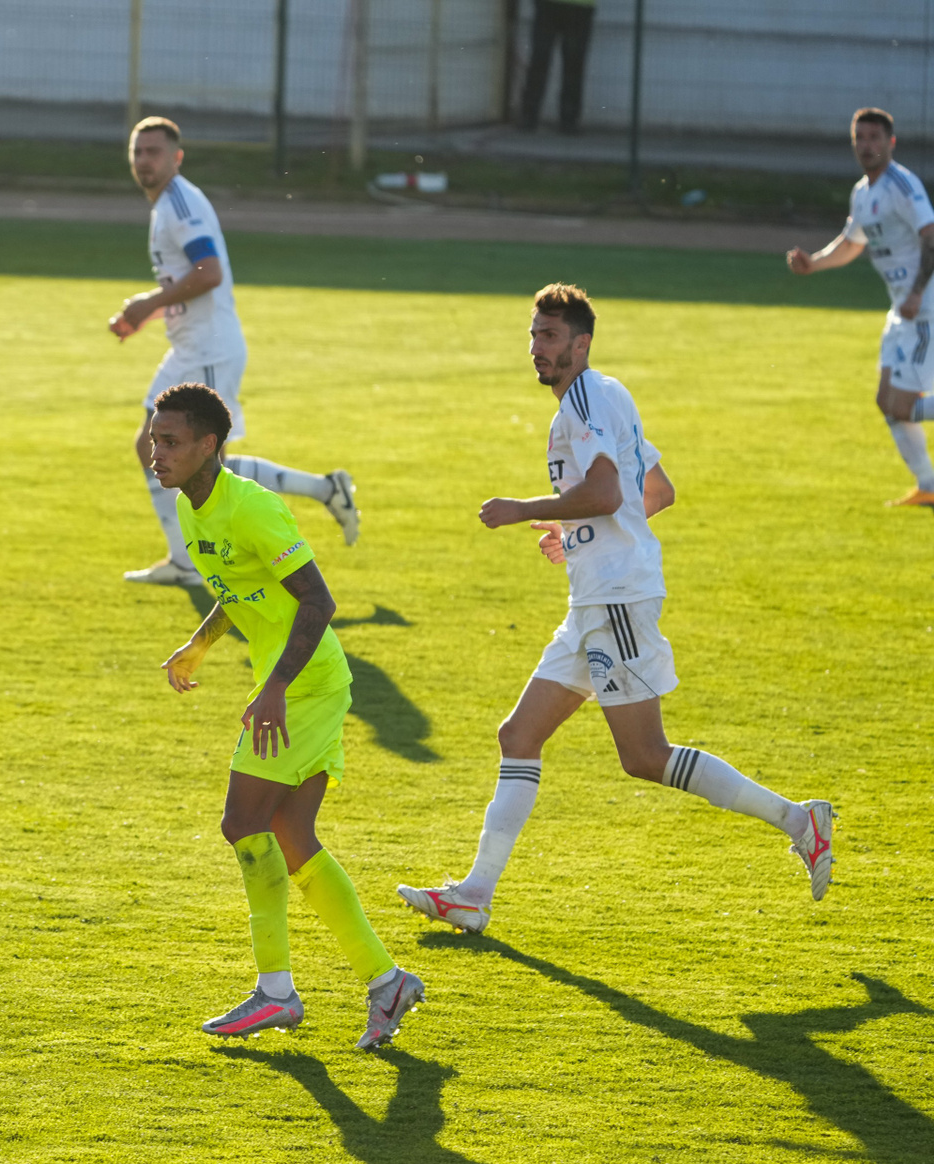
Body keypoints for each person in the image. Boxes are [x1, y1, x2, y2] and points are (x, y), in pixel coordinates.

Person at [396, 285, 834, 936]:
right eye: (533, 334)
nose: (537, 347)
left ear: (581, 344)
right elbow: (655, 490)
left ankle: (800, 820)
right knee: (519, 736)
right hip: (595, 600)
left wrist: (524, 510)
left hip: (617, 597)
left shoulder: (584, 399)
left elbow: (605, 493)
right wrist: (572, 532)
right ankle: (474, 895)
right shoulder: (606, 394)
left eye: (550, 336)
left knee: (645, 756)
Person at [152, 382, 423, 1050]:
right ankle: (386, 981)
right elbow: (240, 590)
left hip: (304, 687)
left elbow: (318, 602)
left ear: (209, 445)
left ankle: (276, 992)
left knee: (242, 822)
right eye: (154, 440)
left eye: (171, 442)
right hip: (299, 684)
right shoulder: (191, 504)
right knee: (291, 835)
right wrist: (199, 644)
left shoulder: (252, 508)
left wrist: (274, 687)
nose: (156, 454)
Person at [110, 117, 359, 587]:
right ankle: (185, 562)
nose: (144, 160)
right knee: (152, 446)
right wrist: (146, 311)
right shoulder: (166, 206)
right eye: (137, 151)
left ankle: (325, 490)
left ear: (176, 157)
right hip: (192, 346)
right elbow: (191, 283)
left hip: (209, 349)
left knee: (206, 465)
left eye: (154, 152)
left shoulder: (179, 204)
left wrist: (150, 302)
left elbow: (209, 273)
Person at [788, 107, 934, 508]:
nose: (866, 146)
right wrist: (814, 263)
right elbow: (852, 243)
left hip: (925, 309)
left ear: (891, 142)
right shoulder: (863, 193)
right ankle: (928, 486)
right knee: (887, 403)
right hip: (900, 312)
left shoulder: (902, 184)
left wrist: (917, 292)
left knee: (903, 405)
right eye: (860, 138)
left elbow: (931, 234)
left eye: (874, 138)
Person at [518, 0, 596, 135]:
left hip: (551, 5)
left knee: (540, 60)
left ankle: (529, 117)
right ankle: (569, 121)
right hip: (579, 7)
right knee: (573, 65)